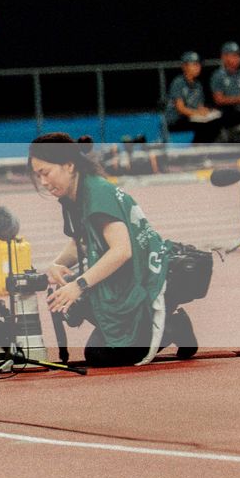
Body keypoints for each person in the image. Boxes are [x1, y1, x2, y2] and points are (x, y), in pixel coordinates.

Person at [30, 132, 198, 365]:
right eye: (38, 176)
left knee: (99, 355)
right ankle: (144, 328)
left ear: (68, 165)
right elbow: (83, 240)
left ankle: (171, 325)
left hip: (145, 279)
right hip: (126, 279)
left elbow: (122, 250)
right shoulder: (76, 193)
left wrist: (78, 286)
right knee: (64, 298)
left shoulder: (96, 193)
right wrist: (57, 264)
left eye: (46, 173)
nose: (43, 182)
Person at [163, 50, 221, 142]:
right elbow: (180, 108)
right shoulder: (178, 82)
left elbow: (199, 107)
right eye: (194, 64)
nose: (198, 67)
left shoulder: (198, 85)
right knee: (203, 127)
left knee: (215, 123)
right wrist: (198, 113)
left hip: (191, 118)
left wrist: (208, 111)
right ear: (184, 66)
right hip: (175, 121)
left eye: (198, 64)